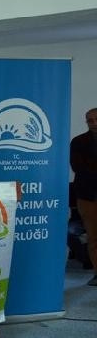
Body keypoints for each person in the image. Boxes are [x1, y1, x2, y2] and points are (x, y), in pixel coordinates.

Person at [70, 108, 97, 286]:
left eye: (96, 119)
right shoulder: (78, 141)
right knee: (94, 237)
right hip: (88, 196)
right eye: (90, 120)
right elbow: (78, 167)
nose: (93, 123)